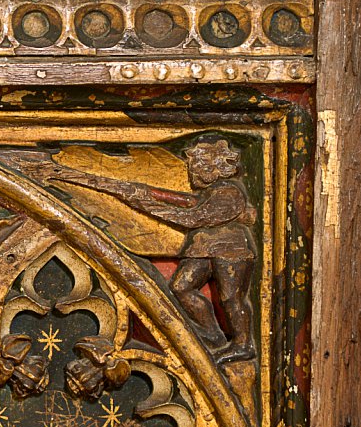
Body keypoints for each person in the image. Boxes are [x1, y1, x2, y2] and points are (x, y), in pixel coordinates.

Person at [44, 138, 256, 364]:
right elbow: (189, 201)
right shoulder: (213, 192)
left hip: (230, 251)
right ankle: (212, 334)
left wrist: (147, 205)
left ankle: (242, 344)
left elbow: (192, 217)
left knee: (230, 297)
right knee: (181, 287)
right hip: (203, 249)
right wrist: (142, 193)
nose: (192, 172)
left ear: (214, 167)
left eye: (197, 167)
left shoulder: (230, 194)